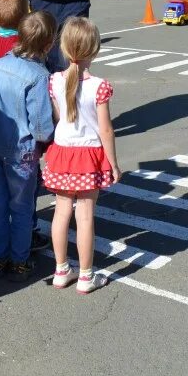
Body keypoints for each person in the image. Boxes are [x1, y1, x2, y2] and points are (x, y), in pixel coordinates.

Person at [43, 17, 121, 294]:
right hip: (88, 155)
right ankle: (86, 275)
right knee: (85, 216)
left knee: (61, 212)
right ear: (95, 50)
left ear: (63, 48)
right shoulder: (99, 86)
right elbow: (106, 130)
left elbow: (56, 117)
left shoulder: (54, 81)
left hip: (62, 153)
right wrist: (113, 164)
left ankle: (61, 270)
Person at [0, 11, 56, 281]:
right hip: (21, 152)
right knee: (21, 207)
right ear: (48, 45)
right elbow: (41, 128)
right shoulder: (39, 76)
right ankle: (19, 260)